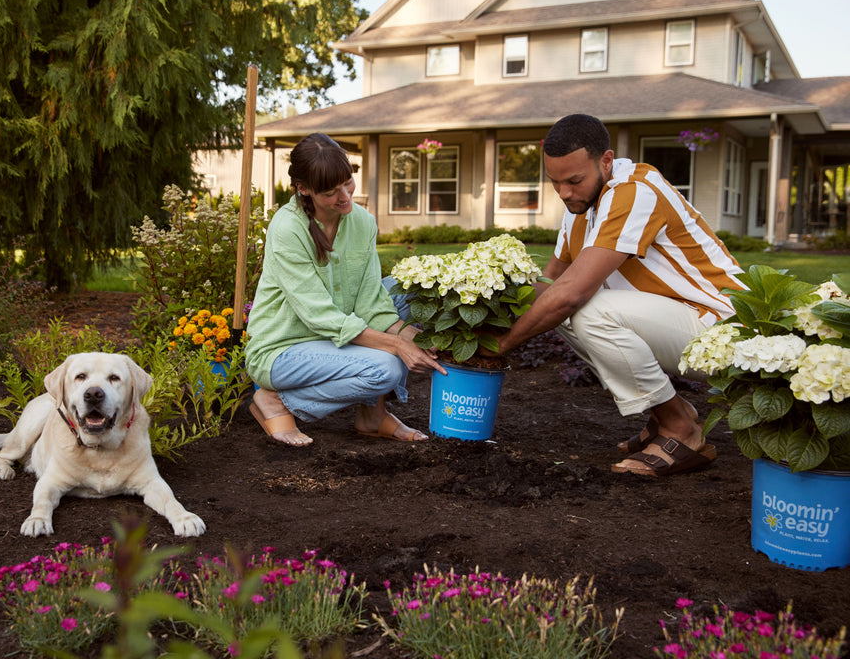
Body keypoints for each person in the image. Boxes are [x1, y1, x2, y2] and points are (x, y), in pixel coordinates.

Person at [482, 114, 745, 476]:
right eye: (555, 183)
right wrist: (485, 323)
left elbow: (572, 292)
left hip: (724, 330)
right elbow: (551, 279)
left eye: (574, 180)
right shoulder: (582, 204)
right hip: (682, 325)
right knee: (561, 310)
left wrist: (504, 344)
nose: (565, 193)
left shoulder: (634, 192)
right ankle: (671, 415)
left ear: (606, 161)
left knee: (586, 309)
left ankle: (682, 431)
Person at [245, 133, 445, 447]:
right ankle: (276, 399)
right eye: (330, 192)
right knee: (386, 368)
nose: (345, 197)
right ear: (304, 189)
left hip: (334, 340)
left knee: (407, 290)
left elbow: (372, 303)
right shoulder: (288, 229)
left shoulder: (362, 222)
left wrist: (417, 339)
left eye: (347, 183)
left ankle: (372, 414)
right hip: (283, 350)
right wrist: (396, 345)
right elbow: (320, 317)